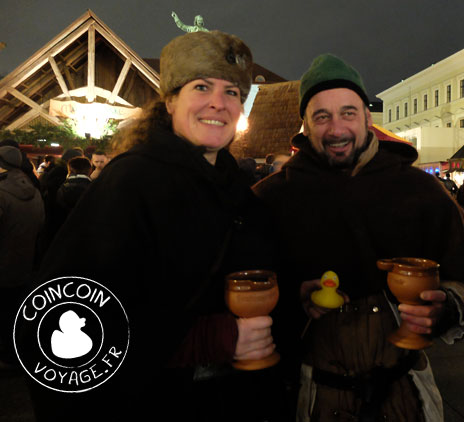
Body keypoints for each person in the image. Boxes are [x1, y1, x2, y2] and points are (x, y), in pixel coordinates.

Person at [27, 30, 286, 421]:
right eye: (201, 87)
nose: (218, 102)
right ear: (169, 101)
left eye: (232, 91)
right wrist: (202, 340)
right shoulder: (130, 183)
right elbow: (60, 323)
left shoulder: (242, 195)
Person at [253, 54, 464, 421]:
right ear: (304, 125)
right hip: (315, 398)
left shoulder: (420, 190)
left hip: (405, 395)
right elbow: (249, 293)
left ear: (367, 117)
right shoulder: (271, 199)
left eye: (348, 113)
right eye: (322, 116)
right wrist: (290, 300)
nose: (336, 129)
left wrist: (446, 309)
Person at [0, 146, 44, 367]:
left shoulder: (1, 192)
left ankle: (7, 357)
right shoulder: (34, 189)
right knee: (14, 313)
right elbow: (41, 226)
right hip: (23, 264)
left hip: (3, 265)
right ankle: (14, 354)